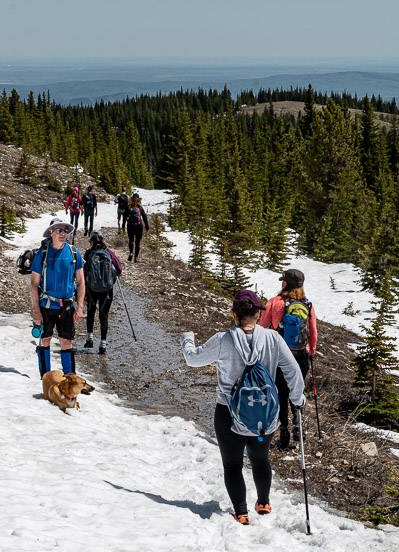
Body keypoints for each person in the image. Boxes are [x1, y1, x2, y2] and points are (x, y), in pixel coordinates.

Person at [180, 289, 305, 526]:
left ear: (234, 314)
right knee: (260, 459)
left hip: (228, 413)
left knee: (233, 464)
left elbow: (192, 359)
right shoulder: (273, 339)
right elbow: (293, 372)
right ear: (258, 315)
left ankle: (241, 512)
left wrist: (187, 339)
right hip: (265, 414)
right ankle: (264, 502)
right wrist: (298, 400)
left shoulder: (223, 339)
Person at [259, 268, 318, 450]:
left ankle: (283, 431)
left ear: (285, 283)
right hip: (301, 354)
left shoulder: (276, 302)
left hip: (281, 354)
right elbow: (313, 330)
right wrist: (312, 350)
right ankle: (298, 425)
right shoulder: (307, 304)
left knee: (281, 393)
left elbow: (262, 326)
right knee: (297, 389)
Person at [29, 218, 86, 379]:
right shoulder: (42, 254)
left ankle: (70, 379)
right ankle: (46, 378)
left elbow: (81, 282)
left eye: (65, 230)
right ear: (51, 233)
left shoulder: (74, 253)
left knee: (66, 341)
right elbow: (34, 284)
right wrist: (35, 311)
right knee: (45, 339)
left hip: (67, 306)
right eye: (59, 230)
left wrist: (80, 307)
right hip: (46, 305)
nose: (63, 233)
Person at [83, 232, 122, 354]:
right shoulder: (109, 253)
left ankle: (90, 339)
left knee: (91, 311)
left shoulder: (89, 253)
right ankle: (103, 344)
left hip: (91, 289)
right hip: (107, 290)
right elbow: (119, 270)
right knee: (103, 316)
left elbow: (83, 272)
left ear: (92, 242)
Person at [126, 193, 149, 262]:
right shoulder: (140, 208)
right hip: (139, 226)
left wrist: (123, 225)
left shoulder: (129, 207)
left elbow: (125, 216)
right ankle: (136, 258)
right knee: (138, 242)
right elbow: (144, 217)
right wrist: (147, 226)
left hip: (130, 225)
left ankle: (131, 253)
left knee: (131, 240)